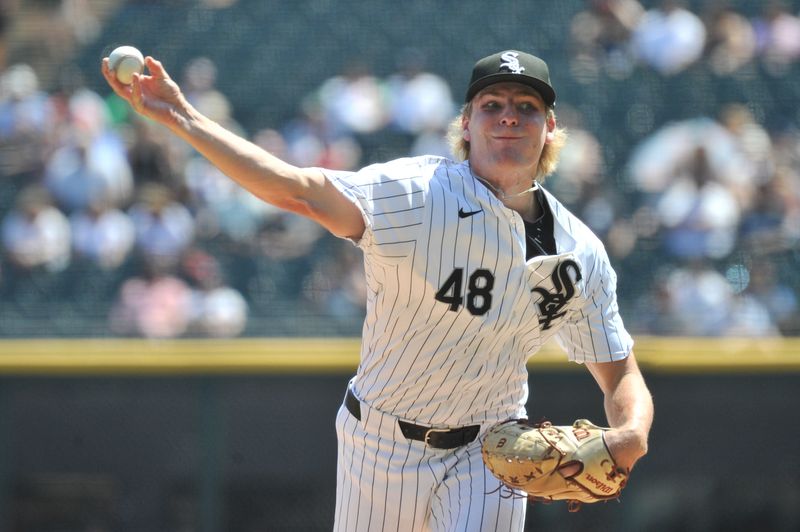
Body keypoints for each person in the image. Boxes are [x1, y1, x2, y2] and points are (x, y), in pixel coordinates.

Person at [102, 48, 654, 531]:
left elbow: (620, 371)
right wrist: (184, 118)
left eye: (526, 107)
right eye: (492, 105)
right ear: (466, 123)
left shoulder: (580, 252)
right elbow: (297, 190)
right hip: (381, 444)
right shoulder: (417, 192)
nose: (508, 117)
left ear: (550, 127)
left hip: (491, 452)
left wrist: (632, 432)